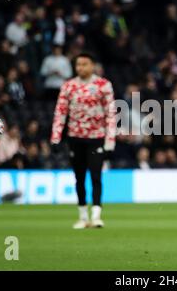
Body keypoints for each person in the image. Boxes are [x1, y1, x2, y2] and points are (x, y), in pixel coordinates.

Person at [51, 52, 116, 229]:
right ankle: (82, 216)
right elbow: (60, 113)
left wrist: (110, 141)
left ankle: (96, 216)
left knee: (96, 176)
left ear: (92, 65)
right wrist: (56, 138)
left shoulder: (103, 85)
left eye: (84, 64)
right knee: (79, 178)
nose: (81, 68)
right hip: (75, 138)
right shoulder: (68, 86)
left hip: (96, 138)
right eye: (78, 64)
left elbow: (110, 114)